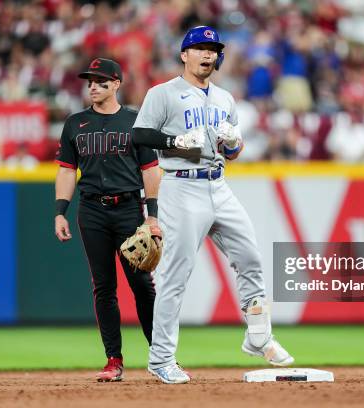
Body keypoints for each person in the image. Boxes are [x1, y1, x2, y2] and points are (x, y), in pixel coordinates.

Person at [132, 26, 294, 384]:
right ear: (184, 55)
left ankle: (258, 337)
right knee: (175, 274)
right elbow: (139, 135)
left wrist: (234, 144)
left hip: (218, 184)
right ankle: (161, 359)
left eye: (212, 49)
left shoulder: (225, 98)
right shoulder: (163, 93)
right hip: (180, 187)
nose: (207, 54)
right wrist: (174, 140)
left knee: (250, 258)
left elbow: (233, 152)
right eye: (200, 48)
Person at [54, 58, 160, 382]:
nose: (93, 87)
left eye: (100, 81)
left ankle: (162, 356)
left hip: (129, 209)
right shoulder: (75, 123)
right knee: (104, 287)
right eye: (90, 82)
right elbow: (67, 171)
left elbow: (151, 171)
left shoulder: (135, 120)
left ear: (116, 84)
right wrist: (60, 211)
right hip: (92, 211)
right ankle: (114, 360)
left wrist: (152, 217)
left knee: (142, 284)